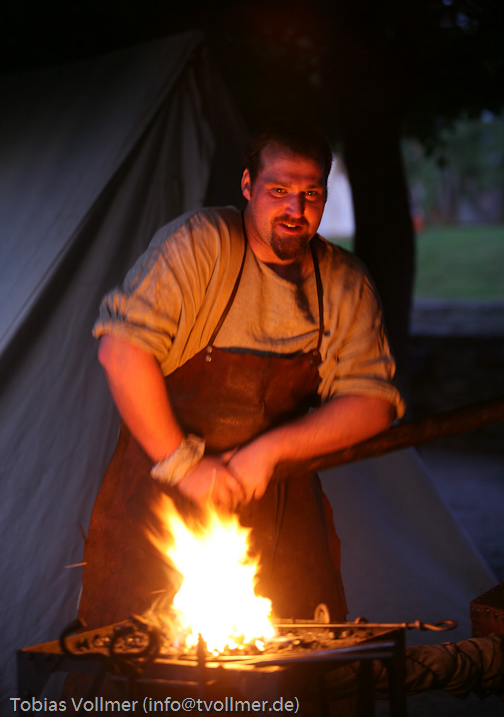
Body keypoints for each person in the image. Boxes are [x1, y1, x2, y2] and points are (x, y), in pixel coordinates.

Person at [79, 119, 405, 630]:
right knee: (138, 661)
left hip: (282, 508)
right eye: (279, 190)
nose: (296, 209)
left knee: (299, 660)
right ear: (248, 185)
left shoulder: (343, 283)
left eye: (311, 193)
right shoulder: (201, 245)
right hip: (160, 505)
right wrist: (185, 465)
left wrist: (267, 452)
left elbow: (373, 404)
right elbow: (121, 352)